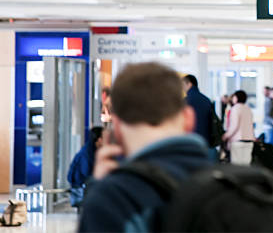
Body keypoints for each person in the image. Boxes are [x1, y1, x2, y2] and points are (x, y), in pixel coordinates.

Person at [78, 62, 209, 232]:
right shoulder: (235, 190)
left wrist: (96, 189)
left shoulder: (114, 200)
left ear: (116, 127)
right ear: (189, 119)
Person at [67, 127, 104, 208]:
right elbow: (86, 173)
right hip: (81, 190)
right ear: (99, 139)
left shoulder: (93, 150)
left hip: (84, 189)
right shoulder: (87, 153)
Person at [182, 74, 213, 146]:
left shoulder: (186, 101)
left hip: (189, 139)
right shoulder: (206, 100)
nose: (182, 88)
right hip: (205, 139)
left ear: (189, 84)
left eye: (183, 85)